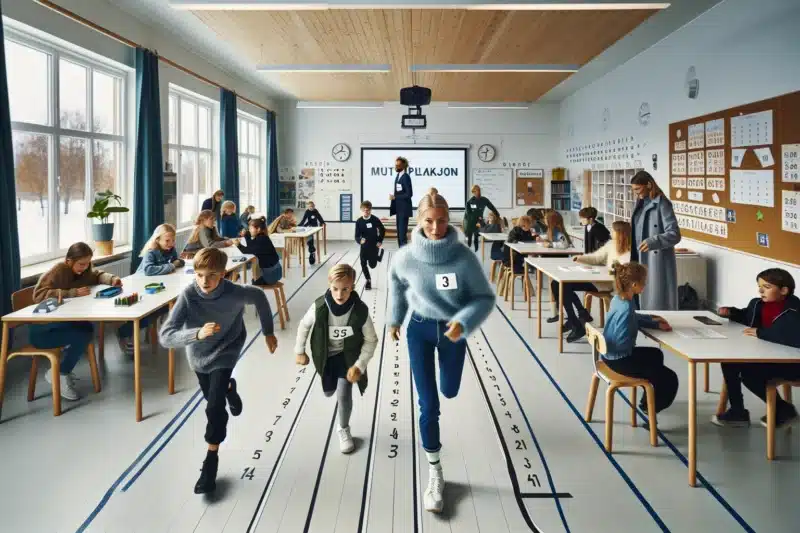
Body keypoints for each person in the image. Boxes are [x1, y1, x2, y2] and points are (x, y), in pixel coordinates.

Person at [389, 192, 494, 513]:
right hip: (418, 331)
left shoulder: (463, 258)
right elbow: (396, 285)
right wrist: (395, 319)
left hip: (453, 333)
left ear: (450, 221)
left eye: (442, 221)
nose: (435, 228)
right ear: (419, 221)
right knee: (428, 404)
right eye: (429, 221)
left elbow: (483, 298)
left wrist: (463, 322)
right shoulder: (405, 258)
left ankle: (448, 385)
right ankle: (435, 471)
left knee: (449, 390)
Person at [159, 247, 277, 494]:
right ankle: (230, 388)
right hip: (199, 355)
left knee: (214, 407)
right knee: (216, 394)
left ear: (223, 274)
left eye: (212, 275)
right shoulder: (189, 295)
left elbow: (259, 298)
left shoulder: (235, 293)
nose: (205, 281)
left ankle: (210, 462)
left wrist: (268, 332)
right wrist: (197, 334)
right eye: (199, 275)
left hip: (228, 348)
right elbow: (166, 336)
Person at [294, 263, 379, 453]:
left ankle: (344, 428)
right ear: (329, 284)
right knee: (329, 391)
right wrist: (299, 351)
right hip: (326, 357)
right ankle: (328, 383)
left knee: (343, 393)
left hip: (347, 357)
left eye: (345, 289)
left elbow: (371, 340)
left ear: (353, 287)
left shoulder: (360, 311)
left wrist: (359, 365)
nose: (340, 295)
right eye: (335, 289)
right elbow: (304, 326)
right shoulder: (319, 307)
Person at [31, 242, 122, 400]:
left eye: (87, 264)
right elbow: (38, 294)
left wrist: (112, 278)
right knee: (81, 335)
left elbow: (96, 274)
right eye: (81, 264)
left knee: (86, 328)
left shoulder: (84, 270)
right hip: (43, 330)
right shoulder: (59, 270)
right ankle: (59, 373)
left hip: (60, 322)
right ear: (69, 261)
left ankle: (62, 369)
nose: (84, 268)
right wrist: (71, 292)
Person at [712, 268, 800, 428]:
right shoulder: (758, 304)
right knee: (729, 361)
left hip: (792, 364)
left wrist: (760, 333)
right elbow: (747, 316)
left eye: (766, 287)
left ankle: (782, 409)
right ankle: (738, 412)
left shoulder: (794, 311)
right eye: (759, 286)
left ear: (784, 290)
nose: (760, 291)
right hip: (768, 355)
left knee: (749, 373)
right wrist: (731, 313)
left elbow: (792, 337)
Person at [602, 262, 678, 415]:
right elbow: (622, 342)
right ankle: (651, 409)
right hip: (620, 360)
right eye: (644, 281)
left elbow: (634, 318)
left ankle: (648, 398)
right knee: (670, 379)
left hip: (609, 356)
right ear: (635, 285)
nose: (646, 284)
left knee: (656, 354)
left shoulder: (619, 299)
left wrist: (653, 321)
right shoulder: (626, 309)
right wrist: (633, 330)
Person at [555, 221, 632, 343]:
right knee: (558, 284)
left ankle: (577, 320)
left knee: (565, 285)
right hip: (596, 279)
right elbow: (596, 258)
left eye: (613, 231)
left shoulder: (629, 252)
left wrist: (610, 272)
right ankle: (575, 320)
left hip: (608, 285)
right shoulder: (611, 244)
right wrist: (581, 258)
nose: (611, 233)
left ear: (620, 233)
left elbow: (623, 273)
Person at [117, 224, 185, 355]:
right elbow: (149, 270)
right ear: (157, 240)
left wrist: (177, 263)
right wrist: (171, 265)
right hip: (142, 288)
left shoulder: (171, 249)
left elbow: (177, 261)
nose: (171, 243)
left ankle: (137, 331)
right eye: (167, 240)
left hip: (158, 287)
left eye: (173, 240)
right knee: (149, 314)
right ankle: (123, 332)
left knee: (168, 306)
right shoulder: (151, 252)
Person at [629, 171, 681, 310]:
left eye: (638, 189)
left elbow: (675, 234)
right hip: (637, 256)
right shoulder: (640, 203)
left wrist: (654, 241)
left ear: (649, 185)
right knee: (637, 301)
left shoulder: (662, 204)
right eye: (633, 190)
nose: (636, 193)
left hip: (655, 259)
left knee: (654, 303)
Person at [238, 215, 282, 286]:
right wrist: (247, 235)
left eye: (250, 228)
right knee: (254, 276)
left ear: (258, 229)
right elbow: (251, 246)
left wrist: (238, 245)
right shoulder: (262, 237)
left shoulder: (261, 240)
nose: (249, 230)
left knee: (252, 282)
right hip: (276, 273)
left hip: (271, 277)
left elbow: (247, 250)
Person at [355, 200, 385, 291]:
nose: (366, 212)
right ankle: (368, 280)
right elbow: (356, 236)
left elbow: (383, 230)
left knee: (372, 265)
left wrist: (379, 240)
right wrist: (360, 240)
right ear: (361, 210)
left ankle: (378, 256)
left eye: (368, 210)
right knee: (363, 263)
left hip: (374, 245)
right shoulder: (359, 221)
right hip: (364, 246)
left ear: (370, 210)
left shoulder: (375, 219)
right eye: (364, 210)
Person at [463, 185, 500, 253]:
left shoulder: (484, 200)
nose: (477, 192)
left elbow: (491, 207)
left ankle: (476, 251)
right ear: (473, 192)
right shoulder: (470, 202)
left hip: (478, 219)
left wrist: (497, 214)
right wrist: (477, 217)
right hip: (469, 221)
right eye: (475, 191)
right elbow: (469, 214)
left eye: (478, 190)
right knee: (470, 238)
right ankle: (467, 252)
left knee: (477, 236)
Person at [389, 156, 413, 247]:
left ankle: (404, 252)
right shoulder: (398, 176)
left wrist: (395, 197)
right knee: (399, 232)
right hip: (399, 208)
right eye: (395, 165)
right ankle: (401, 250)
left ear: (404, 165)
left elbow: (409, 194)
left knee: (402, 232)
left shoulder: (406, 177)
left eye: (398, 165)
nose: (396, 166)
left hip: (404, 208)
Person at [299, 200, 325, 265]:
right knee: (308, 237)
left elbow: (319, 217)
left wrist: (322, 223)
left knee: (310, 236)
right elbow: (304, 219)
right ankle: (312, 250)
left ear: (314, 206)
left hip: (314, 226)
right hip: (308, 225)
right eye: (310, 206)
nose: (311, 207)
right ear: (308, 207)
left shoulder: (315, 211)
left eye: (312, 206)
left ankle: (311, 251)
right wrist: (299, 225)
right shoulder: (307, 211)